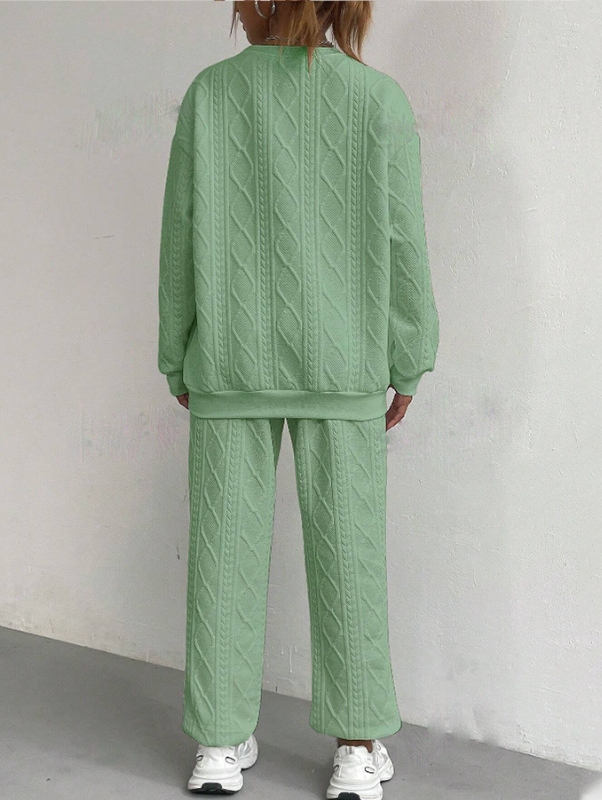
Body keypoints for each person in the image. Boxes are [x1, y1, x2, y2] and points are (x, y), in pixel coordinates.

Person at [157, 1, 439, 797]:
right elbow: (403, 241)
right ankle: (356, 753)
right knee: (351, 555)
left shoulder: (211, 94)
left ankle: (218, 746)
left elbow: (180, 234)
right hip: (345, 367)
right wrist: (410, 358)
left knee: (223, 552)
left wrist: (177, 354)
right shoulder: (378, 100)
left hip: (229, 362)